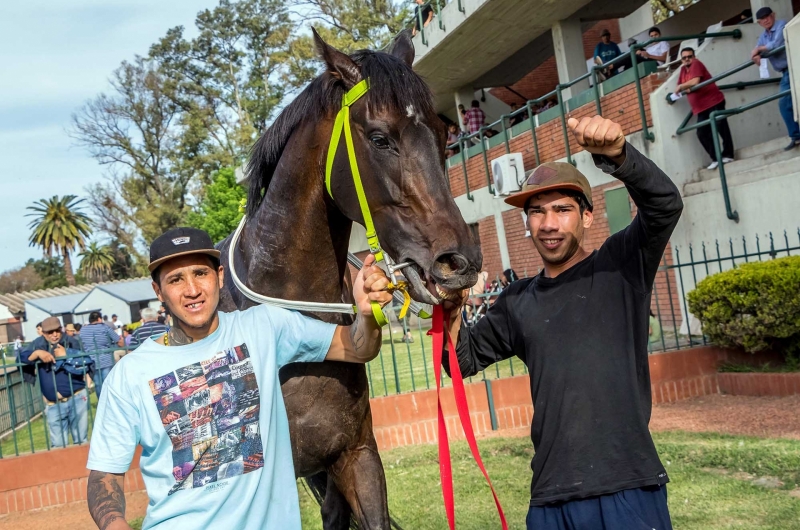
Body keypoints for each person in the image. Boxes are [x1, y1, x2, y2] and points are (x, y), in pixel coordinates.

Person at [442, 115, 682, 530]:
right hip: (551, 496)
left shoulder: (621, 267)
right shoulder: (518, 301)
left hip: (627, 485)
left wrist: (618, 157)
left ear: (587, 217)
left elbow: (664, 205)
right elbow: (459, 362)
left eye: (562, 210)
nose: (548, 223)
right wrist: (450, 308)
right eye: (536, 212)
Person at [86, 227, 393, 530]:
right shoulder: (129, 375)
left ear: (219, 276)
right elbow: (103, 478)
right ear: (158, 291)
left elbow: (357, 348)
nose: (192, 289)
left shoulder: (265, 327)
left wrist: (367, 315)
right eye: (176, 279)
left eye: (200, 274)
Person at [18, 316, 89, 448]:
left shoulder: (72, 342)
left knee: (81, 442)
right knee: (58, 445)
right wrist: (37, 353)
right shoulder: (37, 344)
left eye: (57, 330)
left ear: (61, 329)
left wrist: (66, 354)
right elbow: (20, 358)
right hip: (53, 404)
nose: (54, 335)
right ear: (43, 333)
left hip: (77, 397)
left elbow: (86, 362)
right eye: (50, 332)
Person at [674, 48, 734, 170]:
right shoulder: (682, 70)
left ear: (694, 56)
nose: (687, 59)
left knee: (721, 126)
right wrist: (685, 86)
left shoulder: (696, 63)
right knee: (702, 133)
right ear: (681, 60)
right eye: (684, 58)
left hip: (713, 101)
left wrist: (683, 86)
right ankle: (716, 158)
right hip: (700, 107)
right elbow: (682, 84)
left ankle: (728, 154)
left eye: (689, 56)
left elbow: (695, 81)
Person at [752, 7, 800, 150]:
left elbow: (777, 43)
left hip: (796, 66)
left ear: (773, 15)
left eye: (768, 16)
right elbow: (757, 48)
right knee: (784, 103)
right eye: (762, 19)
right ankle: (796, 136)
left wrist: (759, 50)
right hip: (786, 72)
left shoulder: (781, 24)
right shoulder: (763, 36)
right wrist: (756, 53)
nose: (766, 20)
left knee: (787, 101)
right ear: (759, 23)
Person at [79, 311, 124, 398]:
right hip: (106, 359)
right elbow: (119, 342)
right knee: (109, 384)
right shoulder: (105, 328)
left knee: (98, 385)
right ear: (99, 319)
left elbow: (81, 344)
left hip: (92, 361)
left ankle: (102, 404)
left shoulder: (83, 330)